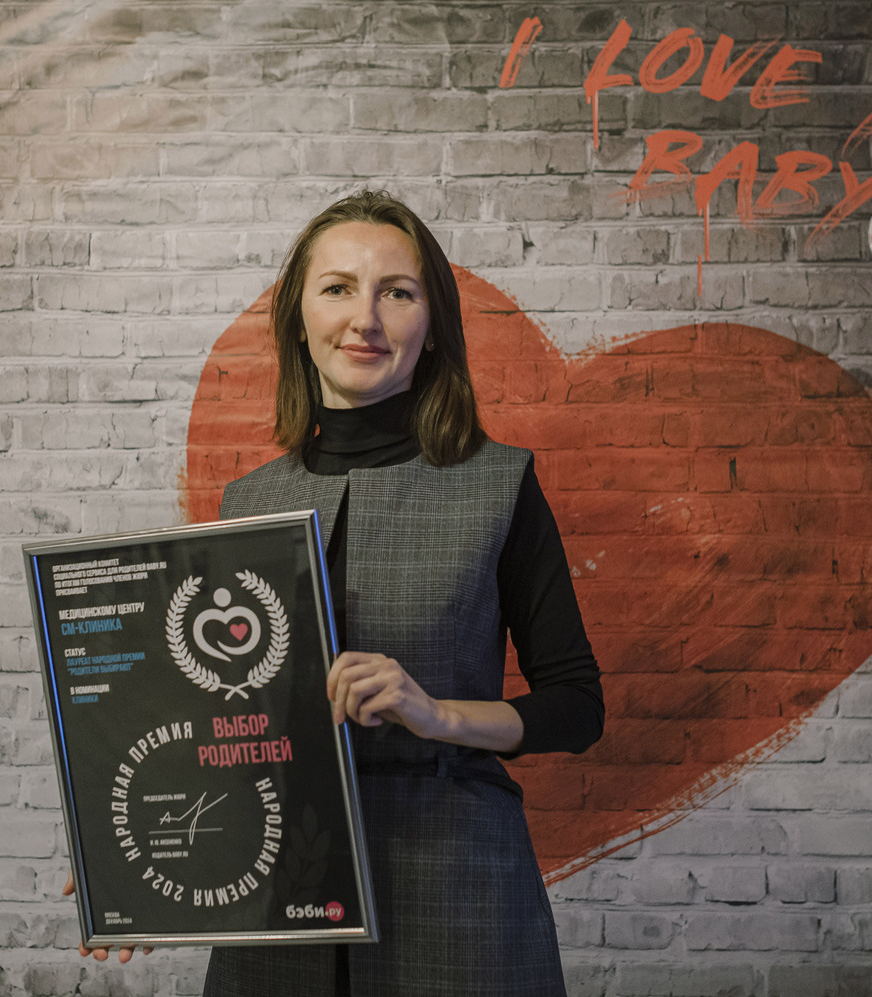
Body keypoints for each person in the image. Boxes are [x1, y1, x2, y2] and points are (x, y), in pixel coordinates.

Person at [202, 190, 604, 996]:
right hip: (277, 901)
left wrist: (439, 714)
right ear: (299, 317)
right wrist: (136, 863)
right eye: (338, 288)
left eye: (397, 292)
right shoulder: (245, 503)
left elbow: (578, 705)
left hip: (457, 891)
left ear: (433, 323)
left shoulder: (499, 485)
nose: (366, 319)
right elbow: (219, 727)